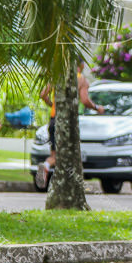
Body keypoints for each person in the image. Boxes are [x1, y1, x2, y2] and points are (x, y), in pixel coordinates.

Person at [36, 61, 105, 189]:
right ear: (81, 64)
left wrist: (53, 105)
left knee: (55, 155)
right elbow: (85, 100)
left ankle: (46, 166)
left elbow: (43, 94)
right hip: (68, 121)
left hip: (53, 119)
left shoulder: (59, 76)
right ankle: (69, 185)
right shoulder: (81, 79)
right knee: (68, 154)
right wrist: (97, 107)